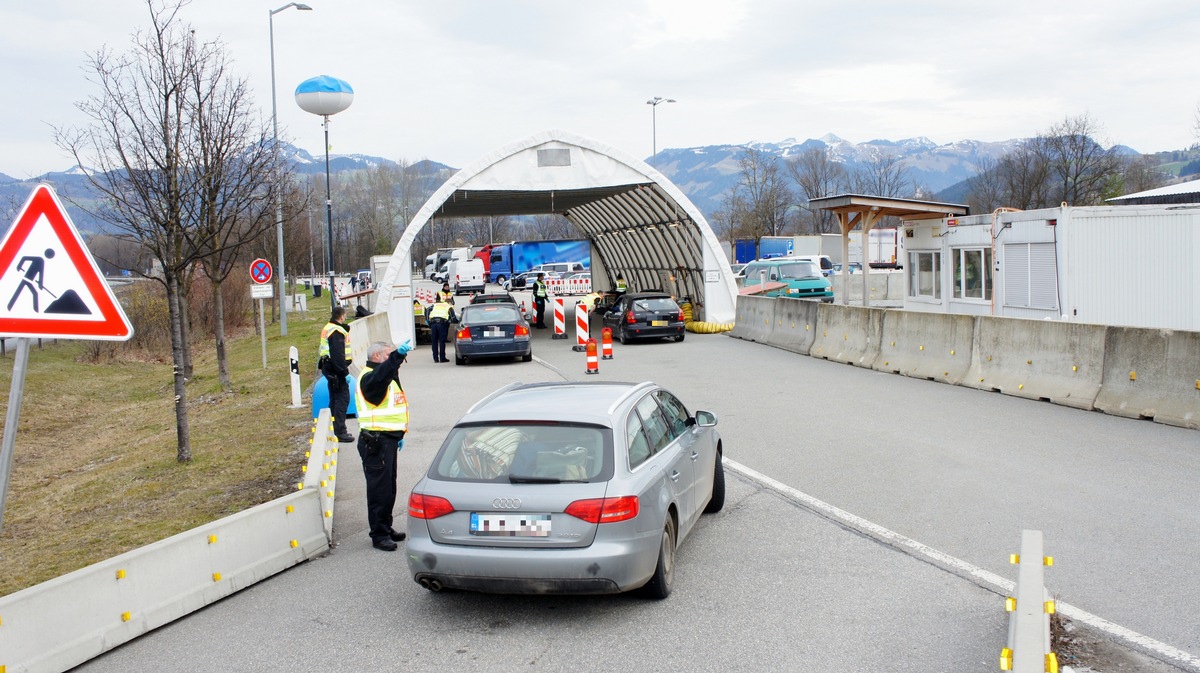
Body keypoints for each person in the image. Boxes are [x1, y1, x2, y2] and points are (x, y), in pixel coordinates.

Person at [354, 339, 413, 551]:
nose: (394, 360)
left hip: (387, 440)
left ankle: (386, 527)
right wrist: (396, 357)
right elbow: (382, 375)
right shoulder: (371, 378)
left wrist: (398, 434)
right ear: (377, 357)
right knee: (379, 491)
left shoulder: (385, 376)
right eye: (389, 355)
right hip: (376, 442)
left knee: (389, 488)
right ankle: (378, 535)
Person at [319, 305, 354, 443]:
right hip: (336, 370)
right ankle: (340, 431)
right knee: (342, 399)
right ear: (341, 316)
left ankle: (333, 428)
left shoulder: (328, 327)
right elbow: (338, 354)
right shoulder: (336, 331)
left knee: (334, 399)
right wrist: (344, 372)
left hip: (329, 367)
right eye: (344, 315)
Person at [425, 297, 459, 363]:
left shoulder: (436, 305)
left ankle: (435, 358)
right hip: (442, 324)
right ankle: (442, 358)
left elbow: (428, 309)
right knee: (442, 341)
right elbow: (453, 318)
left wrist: (428, 320)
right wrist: (456, 321)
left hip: (433, 324)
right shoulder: (449, 307)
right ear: (450, 302)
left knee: (434, 341)